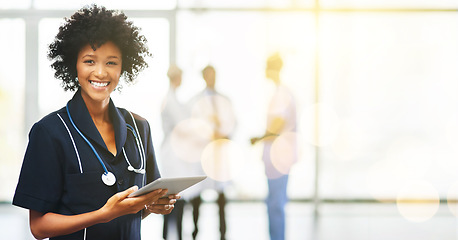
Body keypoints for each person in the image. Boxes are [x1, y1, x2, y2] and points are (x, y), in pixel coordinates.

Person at [12, 5, 179, 240]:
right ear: (74, 66)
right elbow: (39, 227)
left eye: (111, 62)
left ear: (123, 67)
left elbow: (139, 205)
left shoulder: (139, 128)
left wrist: (153, 206)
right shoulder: (49, 132)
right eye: (89, 61)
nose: (100, 72)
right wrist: (103, 214)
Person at [250, 53, 297, 240]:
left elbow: (277, 126)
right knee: (274, 202)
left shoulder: (282, 94)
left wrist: (258, 138)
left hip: (279, 157)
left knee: (276, 204)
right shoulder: (281, 93)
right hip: (277, 156)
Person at [187, 65, 236, 240]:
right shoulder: (195, 101)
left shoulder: (225, 100)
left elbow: (232, 123)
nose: (211, 78)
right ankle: (195, 232)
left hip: (219, 151)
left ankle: (223, 233)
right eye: (208, 75)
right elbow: (193, 126)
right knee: (197, 195)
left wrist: (223, 134)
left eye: (214, 75)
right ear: (203, 77)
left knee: (221, 195)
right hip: (203, 151)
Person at [160, 64, 188, 240]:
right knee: (174, 197)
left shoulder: (174, 98)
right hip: (173, 153)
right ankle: (171, 235)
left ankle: (173, 234)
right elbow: (183, 124)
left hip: (175, 152)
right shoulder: (170, 100)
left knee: (176, 197)